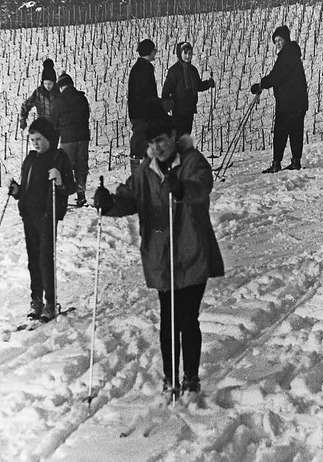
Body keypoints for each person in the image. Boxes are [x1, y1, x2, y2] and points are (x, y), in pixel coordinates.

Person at [92, 106, 224, 400]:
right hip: (161, 258)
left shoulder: (192, 162)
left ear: (173, 137)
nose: (157, 148)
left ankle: (190, 377)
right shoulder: (145, 171)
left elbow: (201, 186)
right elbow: (129, 198)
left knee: (187, 318)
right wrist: (108, 202)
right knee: (168, 320)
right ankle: (170, 377)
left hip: (191, 253)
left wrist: (181, 188)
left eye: (161, 141)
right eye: (151, 144)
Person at [8, 118, 76, 322]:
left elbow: (70, 187)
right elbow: (26, 191)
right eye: (32, 139)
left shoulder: (58, 157)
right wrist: (16, 190)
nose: (35, 143)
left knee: (45, 260)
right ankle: (36, 300)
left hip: (47, 215)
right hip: (29, 215)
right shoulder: (29, 160)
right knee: (33, 261)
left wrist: (60, 179)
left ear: (49, 138)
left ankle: (50, 302)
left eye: (39, 139)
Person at [251, 25, 308, 173]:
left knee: (280, 133)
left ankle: (277, 164)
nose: (277, 44)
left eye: (279, 40)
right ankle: (295, 162)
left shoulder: (287, 55)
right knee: (296, 132)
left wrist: (260, 84)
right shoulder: (293, 54)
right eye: (275, 41)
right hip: (297, 102)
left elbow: (276, 76)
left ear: (286, 40)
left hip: (288, 103)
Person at [50, 72, 91, 207]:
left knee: (65, 167)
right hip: (83, 137)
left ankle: (63, 197)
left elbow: (53, 123)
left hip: (68, 138)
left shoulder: (59, 100)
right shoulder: (82, 98)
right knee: (81, 166)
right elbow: (87, 116)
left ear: (61, 86)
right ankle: (81, 195)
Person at [162, 41, 215, 138]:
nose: (188, 56)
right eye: (185, 53)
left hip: (190, 107)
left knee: (187, 132)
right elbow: (167, 88)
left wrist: (208, 84)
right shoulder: (174, 71)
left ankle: (184, 151)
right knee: (178, 132)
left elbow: (198, 86)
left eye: (190, 53)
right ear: (179, 53)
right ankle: (177, 151)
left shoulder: (193, 70)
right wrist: (166, 101)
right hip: (178, 107)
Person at [128, 39, 164, 175]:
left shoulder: (140, 67)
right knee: (139, 145)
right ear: (149, 51)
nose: (155, 53)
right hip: (143, 114)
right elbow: (146, 94)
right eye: (154, 50)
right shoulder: (144, 68)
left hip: (140, 113)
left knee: (143, 145)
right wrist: (158, 104)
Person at [19, 59, 60, 130]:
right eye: (45, 83)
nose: (47, 86)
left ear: (54, 82)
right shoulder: (39, 93)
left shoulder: (59, 93)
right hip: (42, 128)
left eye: (50, 84)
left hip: (56, 129)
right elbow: (26, 105)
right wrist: (23, 119)